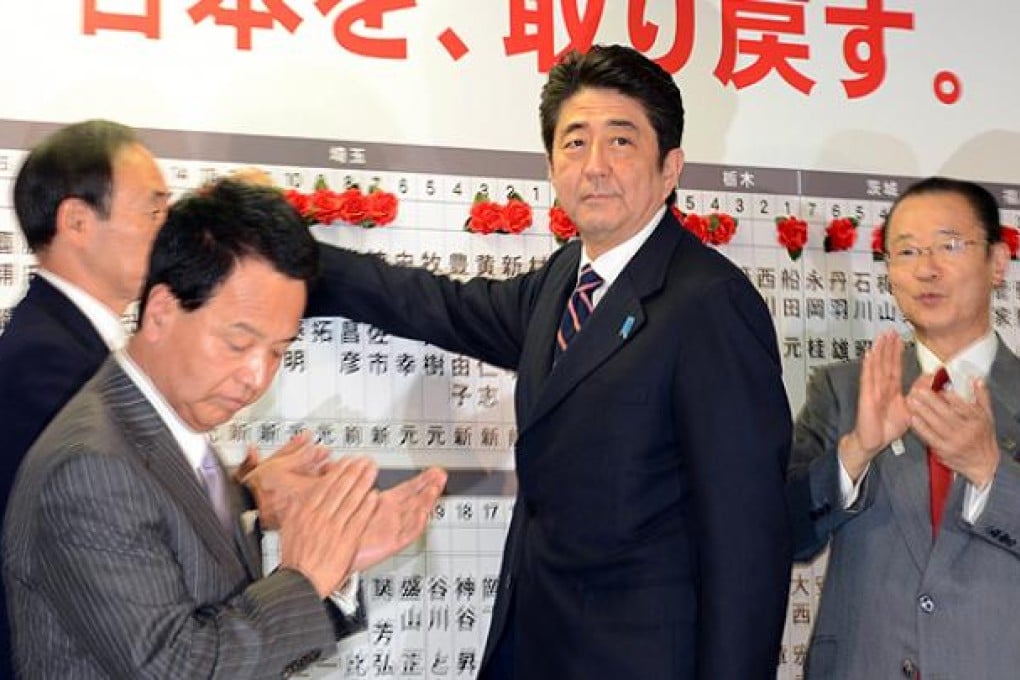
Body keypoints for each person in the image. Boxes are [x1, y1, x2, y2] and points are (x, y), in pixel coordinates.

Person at [305, 45, 793, 679]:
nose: (595, 167)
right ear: (550, 164)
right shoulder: (565, 278)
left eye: (621, 142)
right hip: (536, 645)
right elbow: (442, 307)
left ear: (670, 167)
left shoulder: (709, 303)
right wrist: (299, 259)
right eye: (574, 143)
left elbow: (747, 542)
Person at [0, 120, 444, 670]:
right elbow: (180, 665)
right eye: (239, 342)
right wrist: (304, 578)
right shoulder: (90, 461)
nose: (256, 378)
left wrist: (334, 570)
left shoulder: (176, 430)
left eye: (279, 352)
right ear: (161, 312)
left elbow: (225, 626)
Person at [787, 176, 1018, 679]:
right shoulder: (845, 390)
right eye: (906, 251)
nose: (926, 269)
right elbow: (782, 533)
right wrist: (855, 452)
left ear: (998, 262)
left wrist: (989, 473)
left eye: (949, 245)